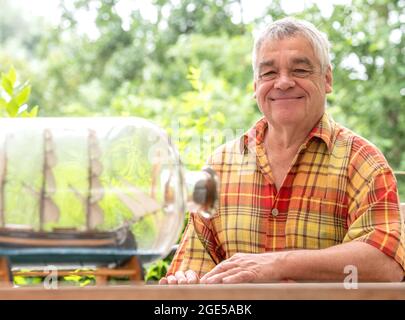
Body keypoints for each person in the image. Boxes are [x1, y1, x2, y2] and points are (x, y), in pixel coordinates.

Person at [159, 17, 405, 285]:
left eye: (300, 70)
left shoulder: (363, 161)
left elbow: (386, 265)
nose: (284, 82)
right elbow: (193, 266)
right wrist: (186, 280)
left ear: (327, 79)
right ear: (255, 86)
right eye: (269, 73)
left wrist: (278, 265)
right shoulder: (220, 166)